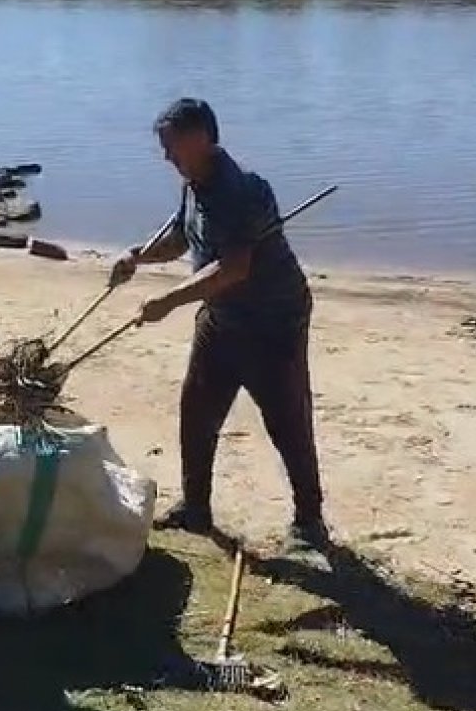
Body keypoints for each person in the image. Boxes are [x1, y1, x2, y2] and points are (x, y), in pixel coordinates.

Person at [109, 99, 330, 553]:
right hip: (222, 316)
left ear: (202, 139)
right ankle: (195, 509)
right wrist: (137, 257)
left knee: (286, 420)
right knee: (197, 412)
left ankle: (310, 524)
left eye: (172, 146)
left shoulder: (240, 191)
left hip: (273, 320)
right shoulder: (195, 184)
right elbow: (179, 237)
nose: (167, 156)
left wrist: (168, 301)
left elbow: (233, 268)